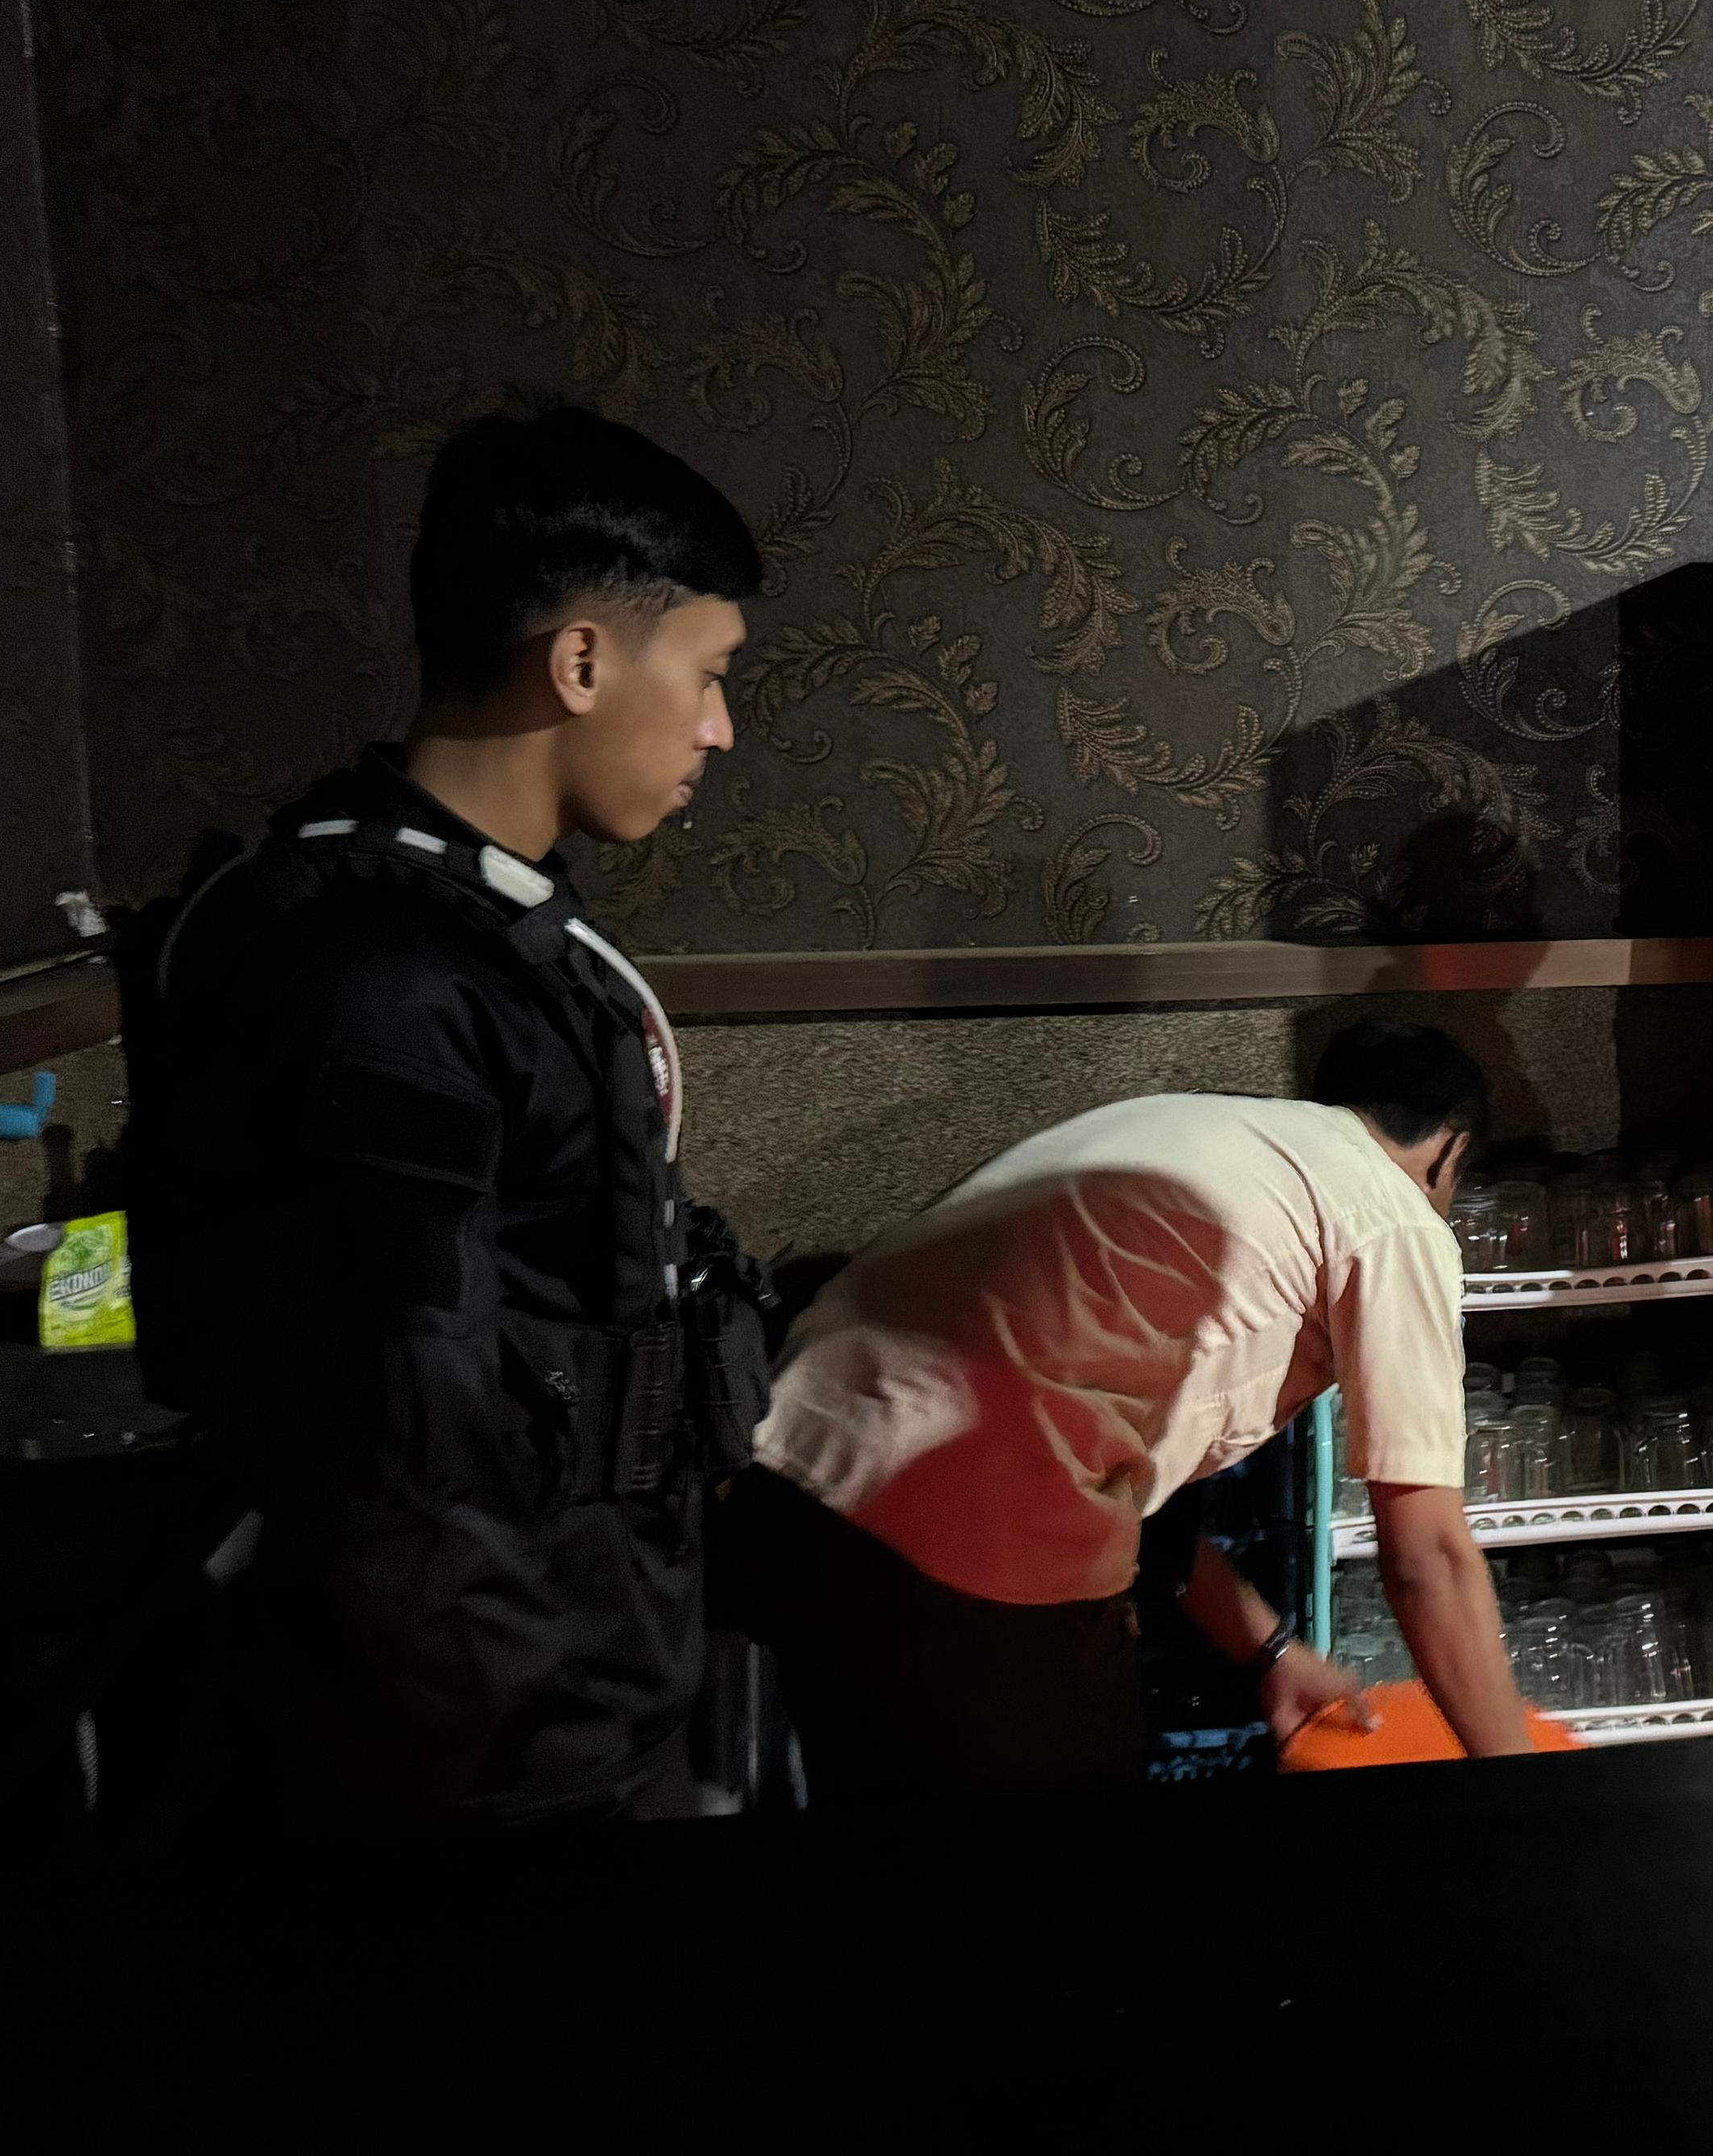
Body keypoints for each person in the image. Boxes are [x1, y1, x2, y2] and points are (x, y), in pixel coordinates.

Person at [123, 402, 768, 1823]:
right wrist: (549, 1756)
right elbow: (400, 1450)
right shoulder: (382, 984)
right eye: (711, 675)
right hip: (501, 1744)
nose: (719, 729)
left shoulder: (483, 926)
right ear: (582, 661)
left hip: (592, 1659)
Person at [723, 1019, 1531, 1795]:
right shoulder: (1392, 1216)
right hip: (960, 1555)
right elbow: (1428, 1557)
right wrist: (1535, 1798)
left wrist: (1270, 1653)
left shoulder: (1214, 1132)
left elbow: (1140, 1479)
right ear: (1449, 1150)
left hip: (785, 1482)